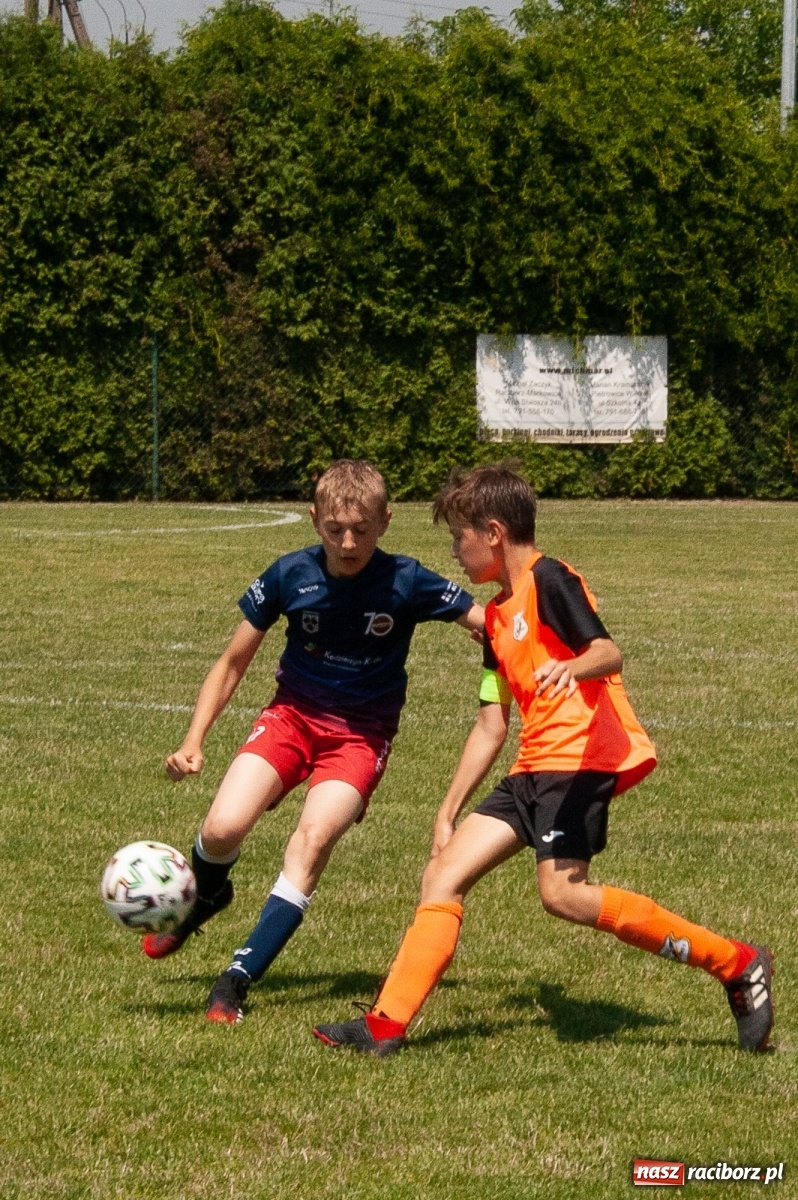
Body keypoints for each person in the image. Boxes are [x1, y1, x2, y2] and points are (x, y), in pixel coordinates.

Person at [312, 463, 774, 1057]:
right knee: (443, 873)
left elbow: (608, 651)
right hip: (531, 769)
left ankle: (735, 963)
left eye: (460, 536)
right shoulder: (498, 619)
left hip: (581, 760)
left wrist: (570, 666)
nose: (455, 550)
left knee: (563, 895)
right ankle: (384, 1028)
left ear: (495, 532)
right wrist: (446, 809)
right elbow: (490, 724)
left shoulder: (550, 579)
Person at [143, 459, 483, 1023]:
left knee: (312, 840)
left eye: (362, 530)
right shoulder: (288, 574)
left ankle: (235, 980)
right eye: (334, 530)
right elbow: (231, 664)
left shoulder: (407, 579)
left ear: (385, 522)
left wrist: (520, 639)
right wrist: (193, 739)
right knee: (221, 827)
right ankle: (206, 896)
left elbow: (482, 620)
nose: (348, 543)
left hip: (360, 736)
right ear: (314, 519)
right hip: (291, 719)